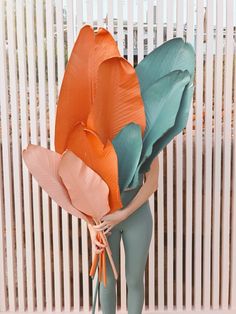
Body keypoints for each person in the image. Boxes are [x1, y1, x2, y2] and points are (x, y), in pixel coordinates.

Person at [87, 155, 159, 314]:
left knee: (134, 279)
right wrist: (92, 228)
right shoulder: (97, 132)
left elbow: (153, 182)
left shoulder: (146, 132)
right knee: (107, 280)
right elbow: (84, 185)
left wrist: (124, 213)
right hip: (104, 219)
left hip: (137, 216)